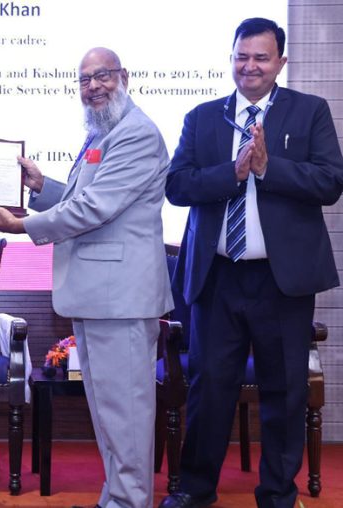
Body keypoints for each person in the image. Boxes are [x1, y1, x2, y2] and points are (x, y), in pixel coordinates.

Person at [159, 18, 343, 508]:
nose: (250, 66)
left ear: (281, 62)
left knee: (284, 392)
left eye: (261, 57)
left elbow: (329, 182)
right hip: (217, 278)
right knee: (208, 390)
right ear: (232, 58)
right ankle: (196, 490)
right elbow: (177, 187)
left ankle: (278, 495)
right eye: (242, 56)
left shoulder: (310, 112)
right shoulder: (204, 117)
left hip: (282, 284)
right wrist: (232, 173)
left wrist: (268, 168)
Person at [0, 47, 173, 508]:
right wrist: (39, 185)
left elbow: (94, 209)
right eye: (84, 79)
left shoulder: (137, 134)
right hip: (98, 298)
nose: (93, 86)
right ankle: (117, 499)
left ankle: (128, 502)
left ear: (124, 76)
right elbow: (79, 196)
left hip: (121, 300)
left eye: (102, 76)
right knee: (110, 415)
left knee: (125, 416)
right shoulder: (106, 133)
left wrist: (22, 226)